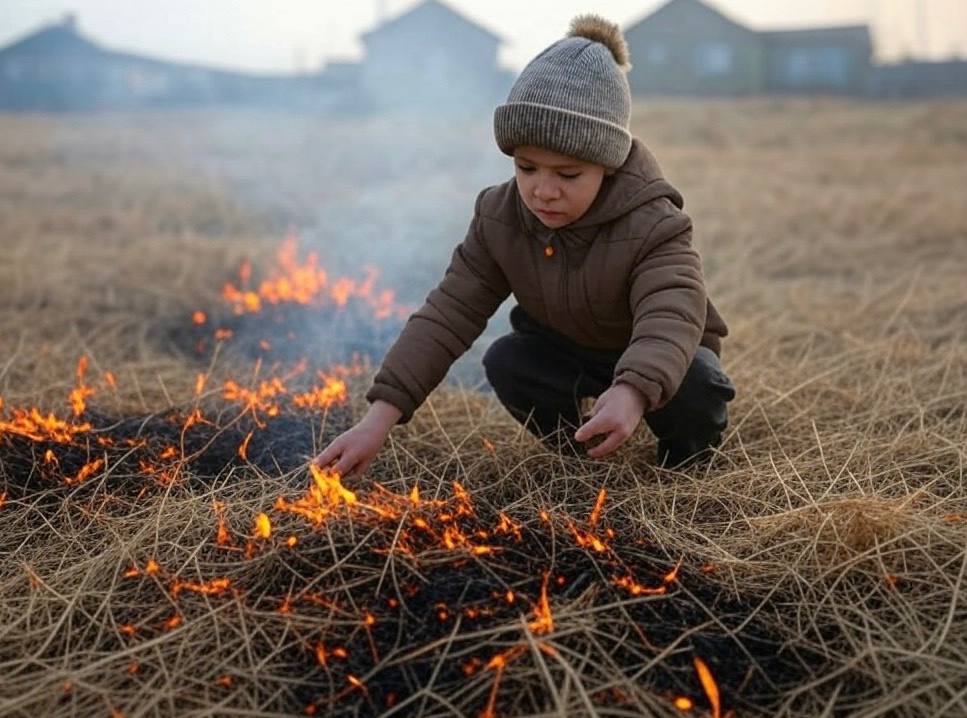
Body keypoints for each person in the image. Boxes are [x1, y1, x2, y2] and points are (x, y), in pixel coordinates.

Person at [313, 14, 735, 477]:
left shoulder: (656, 222)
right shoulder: (500, 217)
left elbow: (670, 316)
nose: (543, 191)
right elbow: (448, 314)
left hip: (660, 357)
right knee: (508, 360)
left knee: (699, 383)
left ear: (608, 166)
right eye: (526, 168)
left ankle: (685, 467)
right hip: (569, 351)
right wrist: (378, 419)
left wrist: (632, 390)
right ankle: (581, 457)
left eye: (568, 174)